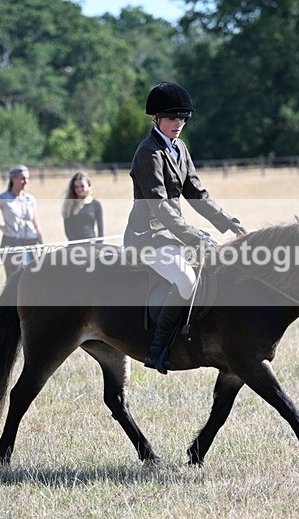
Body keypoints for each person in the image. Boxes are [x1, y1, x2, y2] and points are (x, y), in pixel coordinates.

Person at [125, 81, 247, 374]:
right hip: (146, 237)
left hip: (171, 235)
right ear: (156, 118)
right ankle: (157, 349)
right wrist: (193, 236)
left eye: (182, 118)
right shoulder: (148, 152)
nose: (178, 124)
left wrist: (228, 222)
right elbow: (159, 205)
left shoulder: (179, 148)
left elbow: (197, 194)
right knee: (186, 280)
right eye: (171, 118)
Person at [0, 165, 44, 279]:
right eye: (22, 178)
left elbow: (36, 224)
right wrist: (1, 227)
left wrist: (42, 245)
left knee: (33, 277)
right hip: (12, 243)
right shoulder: (4, 198)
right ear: (13, 179)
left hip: (31, 243)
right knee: (14, 278)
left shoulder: (30, 199)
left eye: (27, 178)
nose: (26, 181)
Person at [61, 171, 104, 243]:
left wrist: (98, 245)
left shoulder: (96, 204)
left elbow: (101, 232)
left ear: (88, 185)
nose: (79, 189)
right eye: (76, 187)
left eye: (82, 186)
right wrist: (75, 244)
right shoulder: (69, 205)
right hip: (74, 245)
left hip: (91, 244)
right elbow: (68, 230)